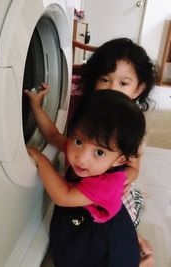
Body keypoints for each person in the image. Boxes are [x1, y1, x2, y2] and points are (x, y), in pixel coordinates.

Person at [26, 86, 146, 267]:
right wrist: (36, 105)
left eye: (99, 152)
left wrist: (40, 159)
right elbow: (52, 134)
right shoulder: (83, 151)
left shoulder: (107, 184)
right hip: (81, 226)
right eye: (78, 140)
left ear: (119, 160)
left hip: (104, 245)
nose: (81, 158)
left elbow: (63, 196)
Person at [70, 37, 157, 265]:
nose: (112, 89)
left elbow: (134, 168)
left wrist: (123, 180)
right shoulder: (85, 105)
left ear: (138, 89)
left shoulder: (132, 126)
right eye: (105, 79)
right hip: (84, 175)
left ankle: (133, 240)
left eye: (123, 83)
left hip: (111, 184)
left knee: (115, 220)